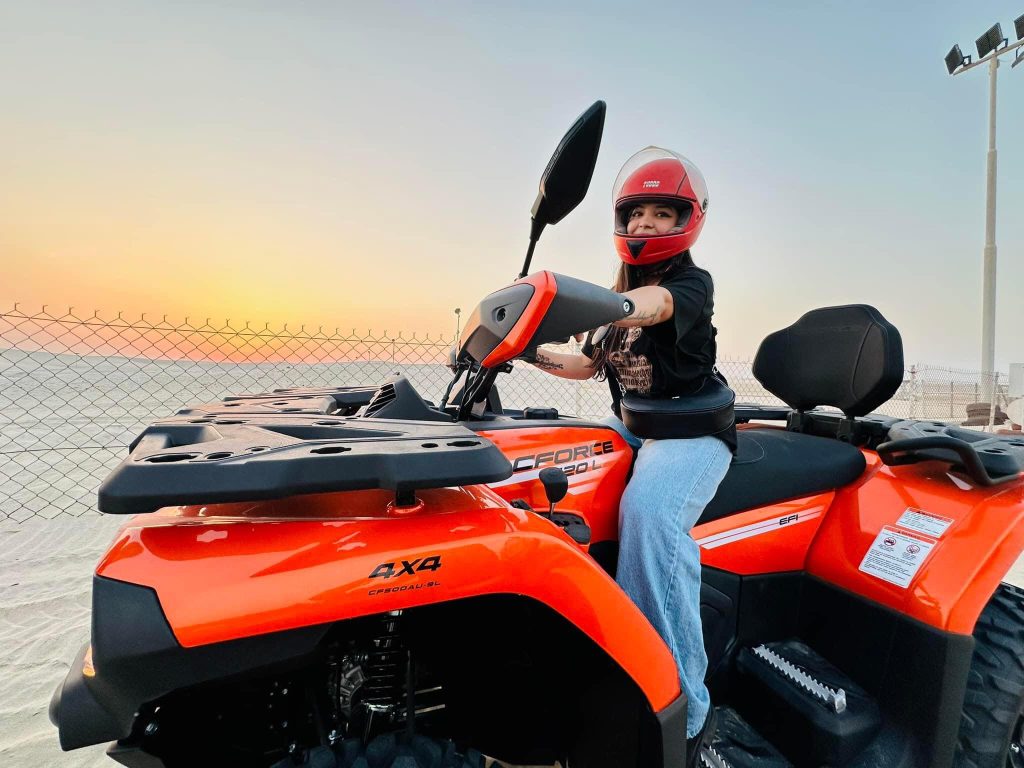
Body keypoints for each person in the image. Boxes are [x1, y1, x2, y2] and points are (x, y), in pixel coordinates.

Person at [525, 146, 735, 763]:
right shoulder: (618, 298)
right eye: (637, 213)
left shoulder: (687, 286)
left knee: (649, 515)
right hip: (636, 425)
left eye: (662, 213)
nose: (646, 222)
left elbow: (656, 308)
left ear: (686, 220)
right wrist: (524, 349)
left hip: (691, 433)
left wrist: (601, 305)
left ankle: (686, 708)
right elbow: (585, 365)